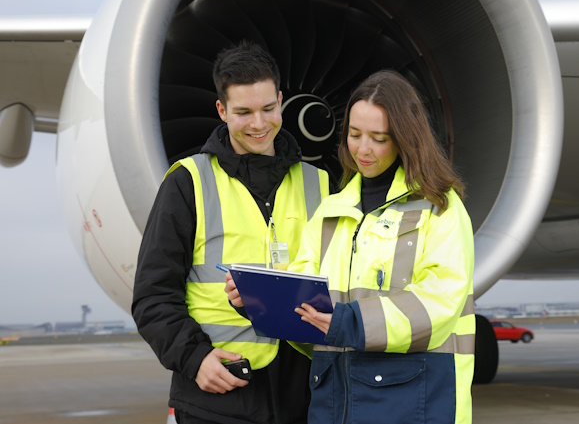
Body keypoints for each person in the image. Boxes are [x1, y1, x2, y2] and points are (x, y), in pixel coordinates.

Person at [132, 41, 329, 424]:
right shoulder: (187, 182)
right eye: (243, 112)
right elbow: (152, 295)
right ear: (222, 110)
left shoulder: (321, 185)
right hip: (219, 395)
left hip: (305, 396)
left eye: (269, 109)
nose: (259, 124)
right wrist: (194, 358)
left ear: (281, 101)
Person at [291, 70, 475, 424]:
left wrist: (350, 322)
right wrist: (261, 303)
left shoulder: (440, 208)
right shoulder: (330, 213)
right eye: (354, 135)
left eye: (378, 138)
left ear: (406, 140)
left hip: (414, 399)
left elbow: (439, 302)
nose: (362, 149)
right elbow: (305, 304)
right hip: (337, 401)